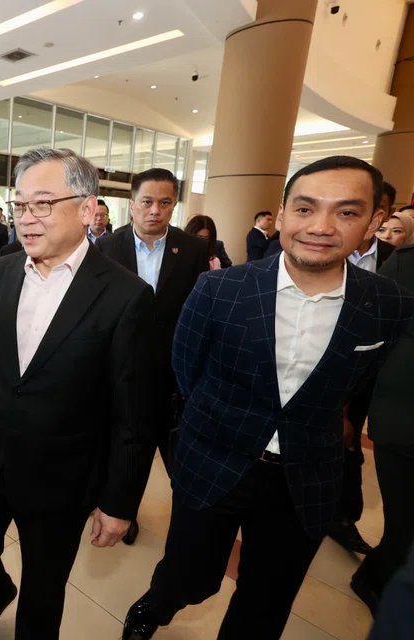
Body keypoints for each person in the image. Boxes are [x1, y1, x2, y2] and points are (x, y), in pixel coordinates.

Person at [122, 156, 414, 640]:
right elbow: (187, 370)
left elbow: (360, 381)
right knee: (188, 577)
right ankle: (152, 608)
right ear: (280, 215)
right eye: (304, 209)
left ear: (374, 223)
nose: (320, 227)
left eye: (345, 212)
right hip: (213, 457)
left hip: (305, 476)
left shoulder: (388, 304)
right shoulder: (220, 288)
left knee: (266, 602)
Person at [0, 148, 157, 639]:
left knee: (44, 589)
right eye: (19, 205)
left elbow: (134, 415)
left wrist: (120, 501)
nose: (26, 218)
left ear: (86, 209)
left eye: (42, 204)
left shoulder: (126, 296)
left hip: (62, 475)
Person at [95, 167, 209, 545]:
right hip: (119, 372)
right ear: (131, 205)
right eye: (147, 202)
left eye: (164, 202)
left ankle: (187, 530)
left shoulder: (191, 249)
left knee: (179, 460)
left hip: (172, 377)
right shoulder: (108, 247)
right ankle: (123, 510)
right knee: (124, 450)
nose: (155, 211)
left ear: (173, 205)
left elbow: (196, 314)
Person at [329, 199, 399, 556]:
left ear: (378, 215)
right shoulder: (317, 249)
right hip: (323, 368)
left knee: (350, 446)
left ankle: (343, 519)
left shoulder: (394, 258)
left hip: (368, 373)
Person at [349, 243, 414, 614]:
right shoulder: (404, 264)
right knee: (404, 526)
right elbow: (362, 335)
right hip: (402, 421)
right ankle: (375, 582)